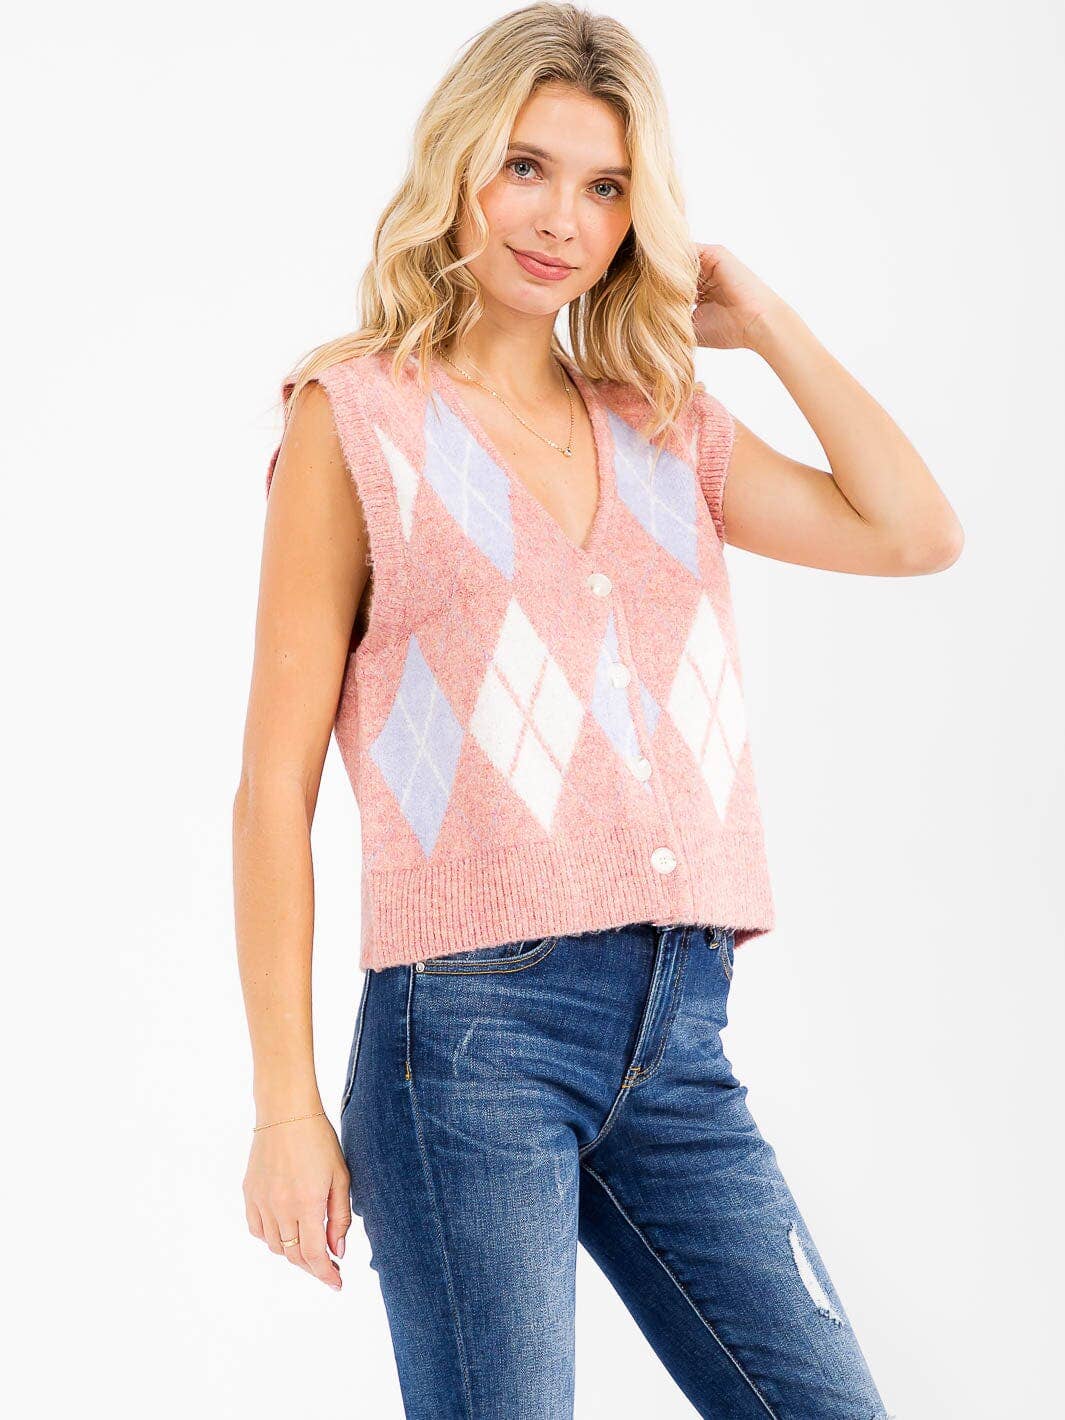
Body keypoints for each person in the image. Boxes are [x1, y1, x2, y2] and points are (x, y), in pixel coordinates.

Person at [234, 6, 959, 1415]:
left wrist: (767, 326)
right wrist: (284, 1107)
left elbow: (913, 532)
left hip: (680, 1035)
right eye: (527, 166)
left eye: (607, 185)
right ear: (458, 166)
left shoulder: (661, 420)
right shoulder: (357, 418)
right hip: (468, 1037)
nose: (561, 217)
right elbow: (273, 785)